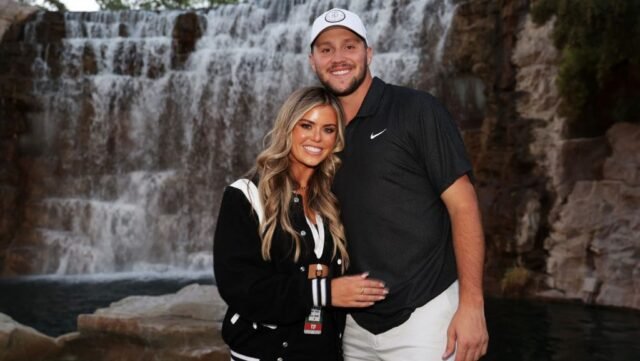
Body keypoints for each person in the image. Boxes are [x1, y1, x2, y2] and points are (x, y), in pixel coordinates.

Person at [307, 8, 489, 361]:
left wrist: (472, 305)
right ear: (313, 61)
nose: (338, 58)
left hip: (427, 315)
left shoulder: (417, 109)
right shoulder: (320, 134)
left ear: (369, 53)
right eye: (326, 49)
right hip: (356, 326)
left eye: (349, 46)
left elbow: (463, 205)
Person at [214, 86, 388, 361]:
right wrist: (324, 292)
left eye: (328, 129)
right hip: (263, 354)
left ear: (337, 139)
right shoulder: (245, 195)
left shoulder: (333, 200)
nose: (317, 138)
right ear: (288, 128)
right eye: (306, 125)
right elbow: (240, 288)